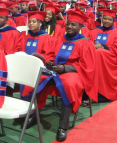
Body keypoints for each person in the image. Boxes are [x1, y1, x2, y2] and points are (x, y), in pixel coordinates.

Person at [23, 8, 97, 142]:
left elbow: (88, 66)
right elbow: (50, 54)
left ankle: (63, 126)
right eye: (68, 23)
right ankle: (34, 114)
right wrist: (50, 61)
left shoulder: (85, 42)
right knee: (37, 78)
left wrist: (66, 68)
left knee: (68, 85)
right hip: (55, 70)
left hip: (74, 72)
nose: (69, 26)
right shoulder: (59, 39)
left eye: (73, 24)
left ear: (80, 26)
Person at [89, 10, 117, 101]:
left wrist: (103, 46)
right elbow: (87, 44)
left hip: (111, 60)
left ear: (113, 21)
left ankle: (100, 93)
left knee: (99, 53)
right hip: (94, 58)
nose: (107, 21)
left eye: (109, 19)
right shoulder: (93, 31)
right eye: (105, 19)